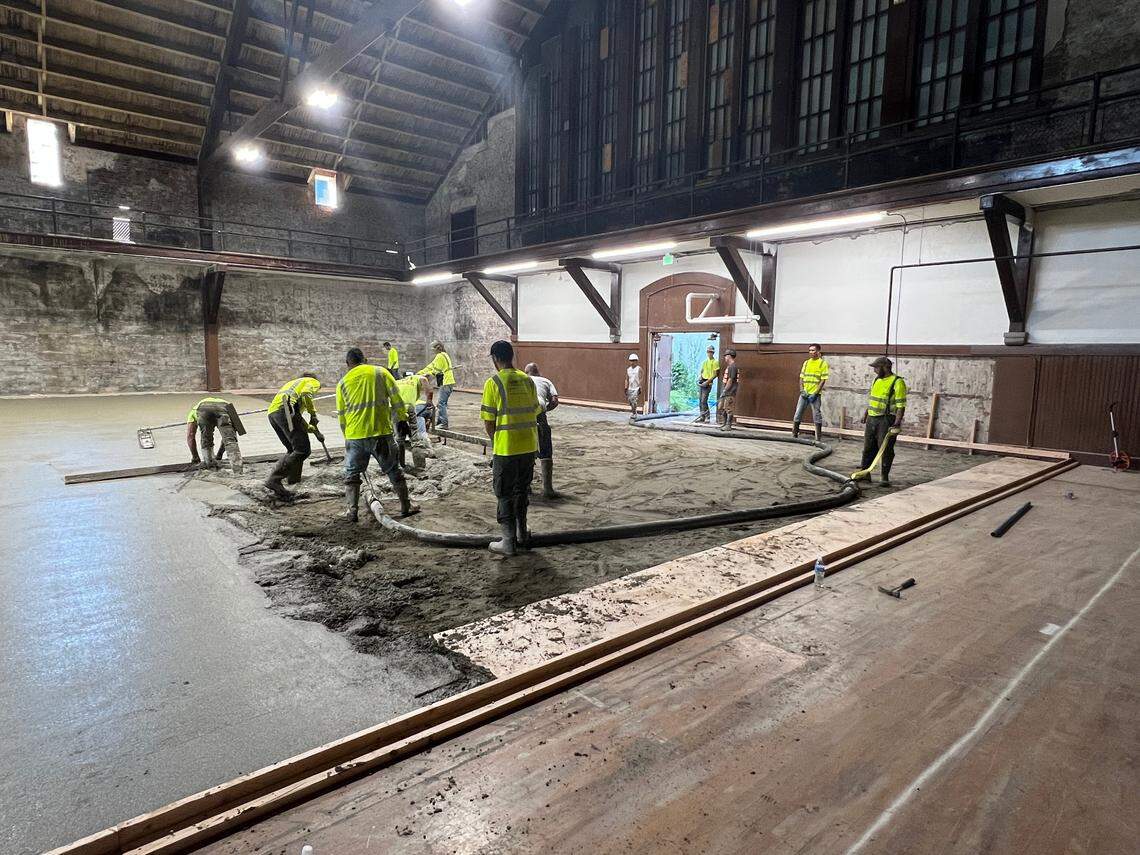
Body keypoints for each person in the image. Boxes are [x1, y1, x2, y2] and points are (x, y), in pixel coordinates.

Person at [337, 348, 420, 522]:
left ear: (347, 364)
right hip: (380, 433)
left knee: (352, 475)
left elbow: (342, 416)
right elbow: (397, 399)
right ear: (365, 359)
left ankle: (351, 512)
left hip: (355, 437)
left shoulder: (342, 383)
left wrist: (348, 438)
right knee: (394, 471)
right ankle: (406, 506)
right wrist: (403, 420)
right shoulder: (380, 372)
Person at [482, 340, 541, 556]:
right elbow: (535, 410)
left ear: (496, 358)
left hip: (506, 449)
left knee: (504, 493)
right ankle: (522, 533)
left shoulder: (494, 382)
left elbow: (489, 422)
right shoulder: (527, 380)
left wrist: (496, 440)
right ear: (512, 356)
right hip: (528, 447)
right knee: (522, 491)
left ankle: (508, 542)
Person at [264, 373, 325, 500]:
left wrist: (312, 430)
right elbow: (306, 394)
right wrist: (313, 414)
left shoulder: (292, 385)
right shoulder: (312, 381)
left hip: (273, 414)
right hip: (284, 411)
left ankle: (293, 480)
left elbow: (296, 416)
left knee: (293, 449)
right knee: (302, 450)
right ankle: (274, 479)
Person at [859, 355, 908, 487]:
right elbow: (872, 399)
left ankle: (884, 477)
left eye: (876, 367)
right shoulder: (877, 380)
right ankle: (864, 474)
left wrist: (897, 422)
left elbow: (900, 405)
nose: (874, 370)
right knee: (868, 448)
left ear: (885, 367)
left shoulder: (897, 382)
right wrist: (866, 414)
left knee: (885, 449)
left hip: (886, 420)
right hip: (872, 418)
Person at [524, 362, 561, 500]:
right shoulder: (546, 381)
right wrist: (546, 408)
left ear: (526, 372)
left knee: (527, 450)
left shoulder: (523, 379)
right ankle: (547, 489)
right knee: (545, 449)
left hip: (522, 414)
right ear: (537, 372)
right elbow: (555, 401)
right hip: (539, 411)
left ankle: (526, 486)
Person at [186, 396, 245, 474]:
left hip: (204, 408)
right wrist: (219, 455)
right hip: (226, 406)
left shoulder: (194, 410)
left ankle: (211, 468)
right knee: (230, 440)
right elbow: (238, 430)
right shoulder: (228, 405)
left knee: (206, 439)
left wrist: (195, 458)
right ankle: (238, 472)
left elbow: (190, 436)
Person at [793, 343, 830, 442]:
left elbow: (823, 380)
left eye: (813, 350)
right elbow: (801, 378)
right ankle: (794, 435)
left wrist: (815, 393)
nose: (811, 352)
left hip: (815, 395)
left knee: (816, 415)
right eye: (809, 350)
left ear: (818, 352)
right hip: (804, 393)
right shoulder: (806, 363)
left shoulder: (823, 364)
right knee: (798, 414)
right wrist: (802, 390)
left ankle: (818, 438)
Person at [418, 340, 455, 428]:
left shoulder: (440, 356)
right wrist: (421, 372)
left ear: (436, 348)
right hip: (447, 382)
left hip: (446, 382)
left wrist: (426, 375)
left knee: (442, 403)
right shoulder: (443, 355)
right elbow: (431, 366)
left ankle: (443, 424)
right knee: (441, 403)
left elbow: (436, 369)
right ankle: (440, 423)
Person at [696, 344, 719, 423]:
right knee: (700, 400)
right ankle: (702, 416)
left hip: (708, 382)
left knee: (704, 400)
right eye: (708, 352)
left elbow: (715, 374)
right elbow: (702, 371)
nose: (709, 353)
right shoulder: (705, 362)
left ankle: (707, 416)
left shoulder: (715, 362)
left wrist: (707, 382)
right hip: (703, 380)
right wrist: (700, 378)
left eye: (711, 352)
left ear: (713, 353)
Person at [718, 349, 739, 430]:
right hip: (726, 391)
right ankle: (724, 423)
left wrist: (725, 390)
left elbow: (730, 380)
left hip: (730, 392)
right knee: (723, 407)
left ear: (729, 356)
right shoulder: (730, 366)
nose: (725, 358)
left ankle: (728, 425)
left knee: (728, 408)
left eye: (726, 356)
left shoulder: (733, 367)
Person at [624, 353, 642, 418]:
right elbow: (626, 379)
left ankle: (634, 414)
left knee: (634, 400)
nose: (632, 362)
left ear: (636, 361)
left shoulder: (639, 369)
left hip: (636, 388)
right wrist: (625, 387)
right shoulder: (628, 370)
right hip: (630, 388)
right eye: (631, 360)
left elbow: (640, 378)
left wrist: (640, 387)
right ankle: (634, 412)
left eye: (634, 360)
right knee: (630, 401)